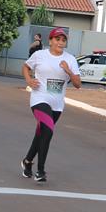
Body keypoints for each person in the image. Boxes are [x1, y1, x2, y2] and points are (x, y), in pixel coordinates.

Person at [20, 27, 81, 183]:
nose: (60, 42)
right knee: (47, 131)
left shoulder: (70, 59)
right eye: (57, 39)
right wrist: (29, 80)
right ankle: (40, 171)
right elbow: (26, 67)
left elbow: (78, 84)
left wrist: (68, 71)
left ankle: (27, 161)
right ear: (51, 41)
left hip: (57, 105)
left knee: (41, 133)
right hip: (39, 99)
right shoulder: (40, 55)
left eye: (63, 40)